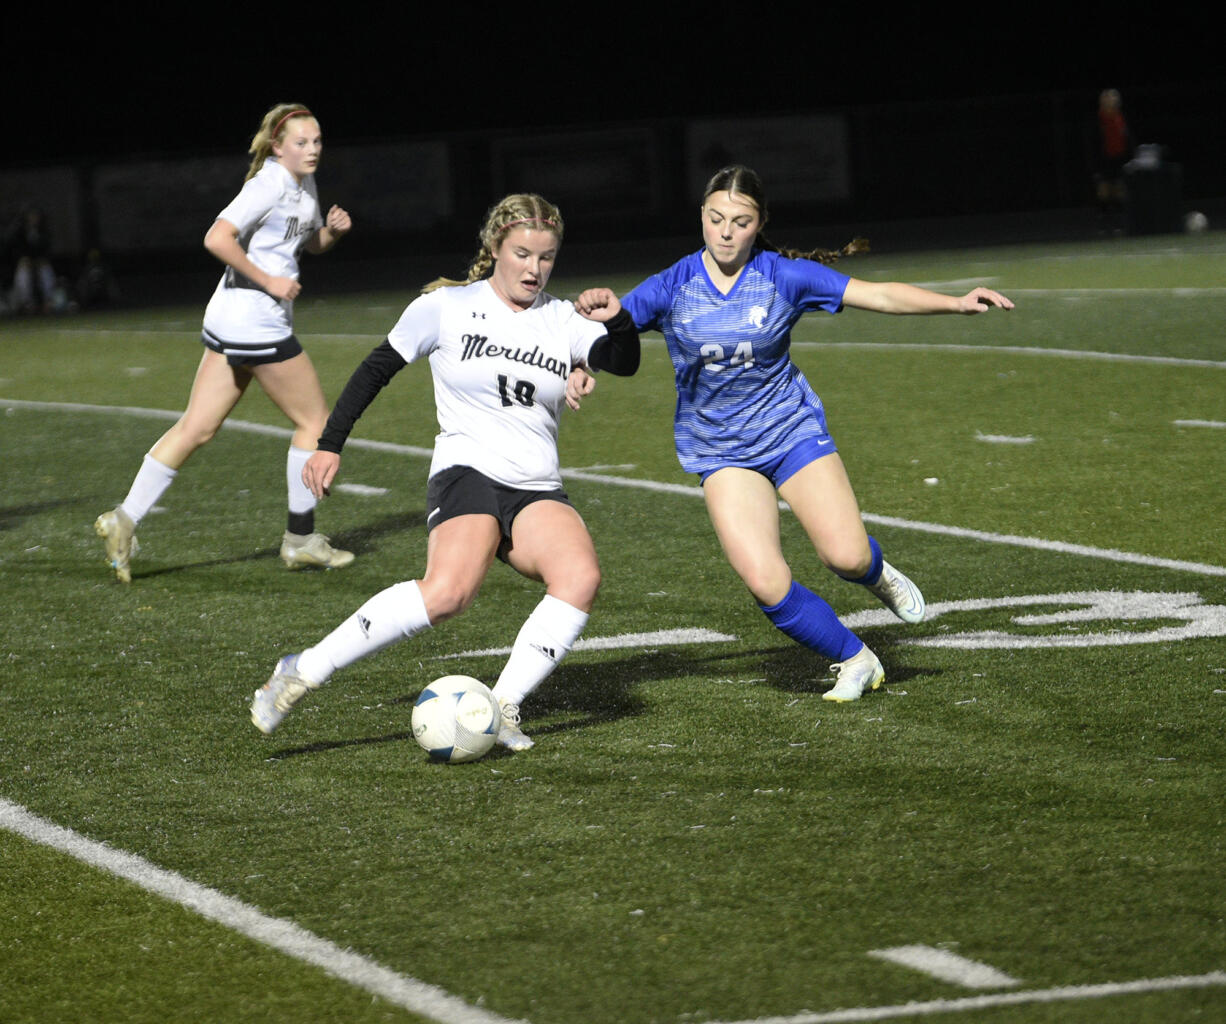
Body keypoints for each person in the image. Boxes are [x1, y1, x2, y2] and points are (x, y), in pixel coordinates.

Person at [251, 193, 640, 751]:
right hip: (468, 472)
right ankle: (304, 668)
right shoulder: (447, 307)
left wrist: (619, 321)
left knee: (580, 578)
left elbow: (623, 361)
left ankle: (503, 707)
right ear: (494, 248)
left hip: (535, 485)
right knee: (448, 594)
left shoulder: (563, 319)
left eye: (547, 257)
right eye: (523, 254)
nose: (534, 269)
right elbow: (376, 369)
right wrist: (329, 443)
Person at [614, 164, 1012, 702]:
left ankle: (876, 572)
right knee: (766, 581)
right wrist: (577, 360)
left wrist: (956, 302)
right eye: (715, 219)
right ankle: (855, 658)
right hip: (721, 450)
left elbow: (880, 295)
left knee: (845, 557)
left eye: (740, 221)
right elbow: (602, 330)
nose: (726, 232)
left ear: (759, 225)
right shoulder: (672, 285)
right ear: (702, 219)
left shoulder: (782, 275)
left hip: (789, 431)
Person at [94, 103, 354, 583]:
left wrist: (329, 235)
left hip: (234, 318)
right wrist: (269, 282)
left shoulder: (303, 183)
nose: (312, 149)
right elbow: (217, 237)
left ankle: (123, 520)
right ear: (278, 146)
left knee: (197, 427)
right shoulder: (269, 183)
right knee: (315, 422)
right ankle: (300, 540)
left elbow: (302, 244)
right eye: (301, 142)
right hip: (255, 320)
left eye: (317, 141)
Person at [1095, 88, 1132, 232]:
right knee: (1104, 192)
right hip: (1104, 160)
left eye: (1114, 98)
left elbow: (1127, 138)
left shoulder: (1121, 117)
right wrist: (1095, 166)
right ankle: (1103, 221)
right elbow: (1094, 143)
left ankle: (1119, 223)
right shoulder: (1098, 119)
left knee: (1119, 191)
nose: (1112, 101)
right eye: (1108, 99)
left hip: (1119, 159)